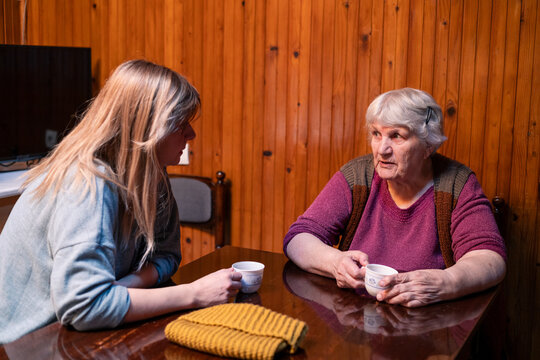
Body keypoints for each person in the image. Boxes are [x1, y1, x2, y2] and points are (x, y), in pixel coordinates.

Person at [0, 60, 242, 344]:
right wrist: (194, 294)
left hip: (78, 335)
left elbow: (167, 254)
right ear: (149, 128)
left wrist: (126, 286)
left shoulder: (152, 174)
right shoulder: (88, 183)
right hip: (27, 344)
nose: (191, 134)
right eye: (181, 124)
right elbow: (85, 305)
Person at [283, 88, 506, 308]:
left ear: (428, 145)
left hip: (425, 323)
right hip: (355, 321)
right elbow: (299, 238)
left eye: (396, 135)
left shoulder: (456, 183)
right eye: (376, 134)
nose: (382, 150)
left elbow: (489, 258)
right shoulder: (358, 175)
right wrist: (335, 263)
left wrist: (442, 283)